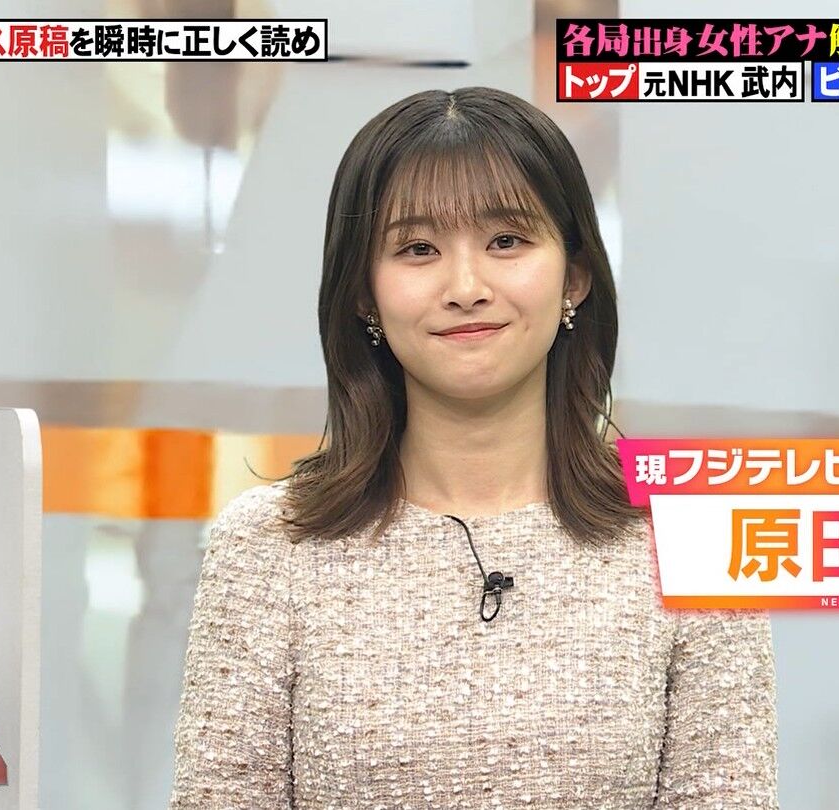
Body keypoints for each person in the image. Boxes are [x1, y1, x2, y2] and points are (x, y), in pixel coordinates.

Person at [169, 86, 778, 809]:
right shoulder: (269, 545)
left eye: (506, 241)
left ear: (574, 276)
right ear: (364, 294)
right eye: (418, 249)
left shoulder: (691, 538)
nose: (466, 287)